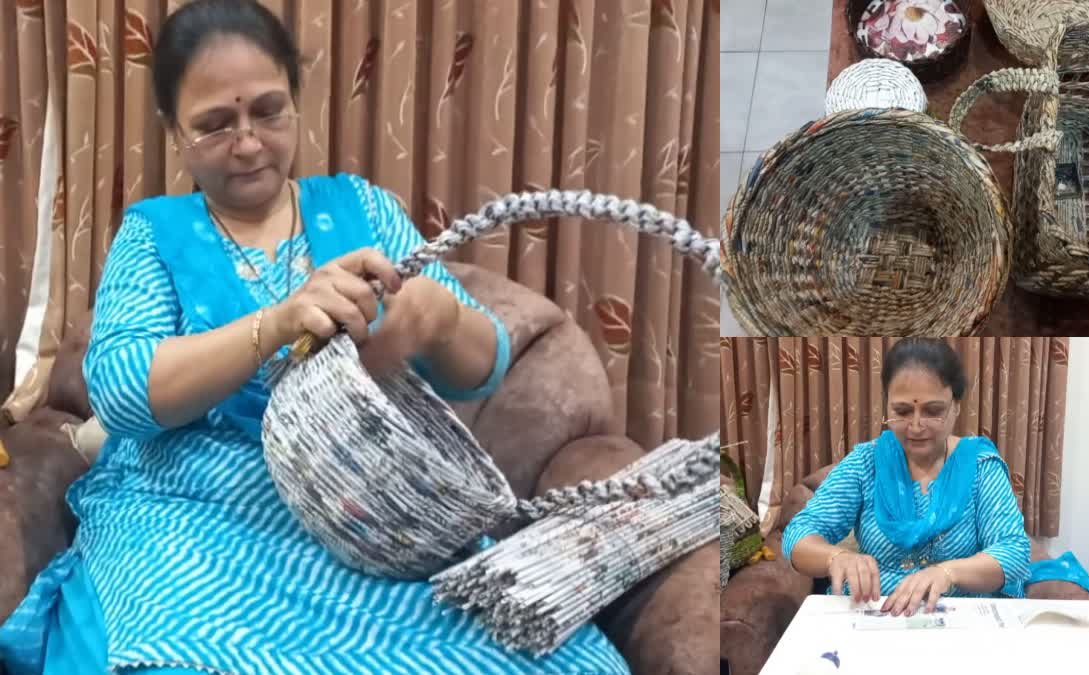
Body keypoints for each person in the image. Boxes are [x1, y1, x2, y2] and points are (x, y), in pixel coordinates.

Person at [0, 1, 628, 673]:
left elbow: (484, 366)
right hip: (193, 514)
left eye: (268, 111)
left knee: (570, 662)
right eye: (215, 124)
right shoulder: (154, 232)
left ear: (297, 102)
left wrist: (437, 319)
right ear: (174, 132)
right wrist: (277, 322)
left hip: (368, 517)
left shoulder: (362, 209)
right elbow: (121, 388)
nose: (248, 142)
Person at [784, 338, 1031, 617]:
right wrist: (836, 557)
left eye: (933, 411)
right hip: (878, 618)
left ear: (956, 406)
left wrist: (947, 573)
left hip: (962, 621)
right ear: (887, 406)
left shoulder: (980, 466)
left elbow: (1013, 551)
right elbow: (797, 534)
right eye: (902, 411)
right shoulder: (866, 464)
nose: (916, 426)